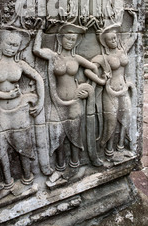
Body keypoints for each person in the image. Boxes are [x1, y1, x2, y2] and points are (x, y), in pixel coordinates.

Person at [0, 27, 51, 200]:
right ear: (0, 44)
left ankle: (27, 179)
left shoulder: (19, 64)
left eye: (16, 45)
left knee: (23, 145)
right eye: (9, 44)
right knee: (0, 146)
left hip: (19, 110)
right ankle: (8, 183)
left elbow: (38, 77)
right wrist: (3, 94)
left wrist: (40, 101)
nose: (13, 48)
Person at [33, 23, 103, 171]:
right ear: (60, 39)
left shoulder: (76, 58)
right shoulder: (53, 56)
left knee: (75, 134)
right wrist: (40, 29)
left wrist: (89, 88)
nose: (70, 42)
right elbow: (36, 50)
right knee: (57, 135)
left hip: (75, 99)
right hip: (56, 101)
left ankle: (75, 163)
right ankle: (60, 165)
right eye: (68, 39)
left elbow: (94, 68)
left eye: (73, 40)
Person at [91, 10, 138, 158]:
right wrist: (100, 79)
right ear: (105, 42)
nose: (114, 40)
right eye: (111, 39)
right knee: (110, 122)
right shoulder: (103, 57)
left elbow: (135, 35)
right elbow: (89, 68)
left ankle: (121, 146)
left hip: (123, 89)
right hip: (109, 91)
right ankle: (108, 149)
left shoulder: (123, 49)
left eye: (115, 37)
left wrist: (135, 18)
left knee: (126, 117)